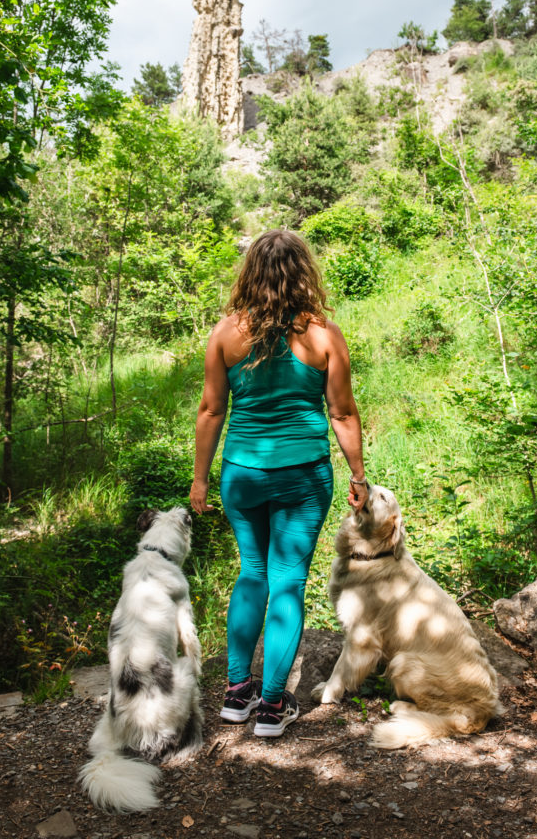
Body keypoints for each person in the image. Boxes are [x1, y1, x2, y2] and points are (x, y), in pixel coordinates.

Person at [189, 229, 368, 737]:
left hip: (242, 473)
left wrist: (200, 479)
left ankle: (236, 693)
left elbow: (210, 410)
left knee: (252, 573)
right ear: (302, 273)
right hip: (303, 476)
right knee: (287, 579)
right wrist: (358, 476)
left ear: (252, 274)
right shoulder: (323, 336)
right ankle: (271, 707)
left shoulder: (226, 333)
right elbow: (342, 412)